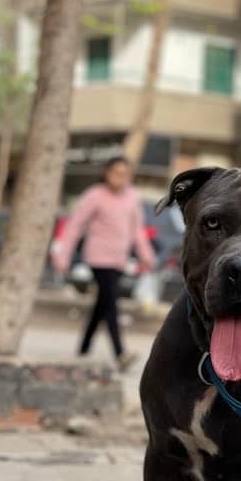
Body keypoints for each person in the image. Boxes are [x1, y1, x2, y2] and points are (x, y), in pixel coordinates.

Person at [52, 156, 156, 371]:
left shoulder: (132, 198)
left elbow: (137, 230)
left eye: (124, 174)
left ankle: (84, 347)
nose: (119, 178)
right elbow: (75, 226)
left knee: (102, 303)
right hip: (98, 258)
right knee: (110, 302)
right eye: (115, 173)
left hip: (119, 259)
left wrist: (146, 256)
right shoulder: (94, 196)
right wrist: (63, 256)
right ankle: (120, 353)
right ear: (106, 173)